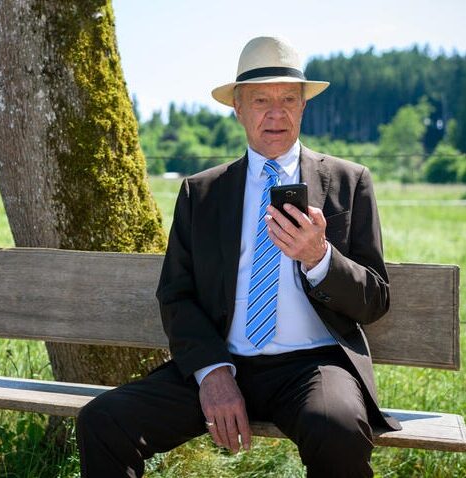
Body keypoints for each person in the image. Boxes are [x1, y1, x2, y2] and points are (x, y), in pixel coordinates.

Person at [76, 36, 400, 478]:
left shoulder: (349, 182)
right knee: (103, 421)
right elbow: (176, 294)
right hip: (224, 359)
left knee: (337, 428)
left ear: (303, 107)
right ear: (238, 109)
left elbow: (375, 299)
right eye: (261, 100)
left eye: (289, 99)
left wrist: (320, 257)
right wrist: (212, 371)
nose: (276, 112)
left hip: (313, 365)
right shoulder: (202, 192)